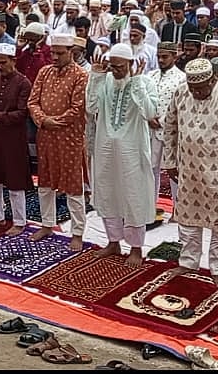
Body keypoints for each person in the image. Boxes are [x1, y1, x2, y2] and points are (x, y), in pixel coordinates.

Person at [161, 59, 218, 286]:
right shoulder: (181, 93)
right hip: (188, 171)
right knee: (188, 223)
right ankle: (188, 262)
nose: (197, 92)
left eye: (201, 88)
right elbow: (170, 127)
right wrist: (170, 161)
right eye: (193, 88)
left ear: (212, 80)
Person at [87, 42, 159, 267]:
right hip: (105, 148)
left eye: (119, 67)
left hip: (132, 150)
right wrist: (96, 77)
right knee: (108, 193)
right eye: (112, 66)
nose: (115, 71)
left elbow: (149, 112)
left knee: (133, 196)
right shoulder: (105, 80)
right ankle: (113, 241)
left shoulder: (145, 81)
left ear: (130, 63)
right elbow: (90, 107)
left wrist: (136, 82)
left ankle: (136, 248)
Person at [28, 33, 89, 249]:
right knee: (44, 182)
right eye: (52, 52)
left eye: (59, 53)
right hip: (45, 135)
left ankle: (77, 232)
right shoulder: (44, 72)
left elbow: (77, 107)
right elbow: (32, 101)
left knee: (73, 186)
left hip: (69, 138)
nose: (54, 56)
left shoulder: (81, 75)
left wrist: (55, 122)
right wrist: (43, 120)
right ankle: (47, 224)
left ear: (71, 53)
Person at [0, 43, 33, 235]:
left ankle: (19, 221)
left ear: (13, 61)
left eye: (3, 62)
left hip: (13, 139)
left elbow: (22, 113)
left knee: (15, 179)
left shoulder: (23, 83)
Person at [147, 41, 187, 209]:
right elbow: (142, 98)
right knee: (150, 168)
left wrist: (162, 121)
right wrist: (148, 117)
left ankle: (177, 210)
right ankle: (150, 205)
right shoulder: (150, 76)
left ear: (174, 56)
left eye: (165, 57)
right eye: (159, 57)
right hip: (150, 129)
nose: (161, 60)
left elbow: (181, 104)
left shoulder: (182, 78)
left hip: (172, 131)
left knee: (174, 169)